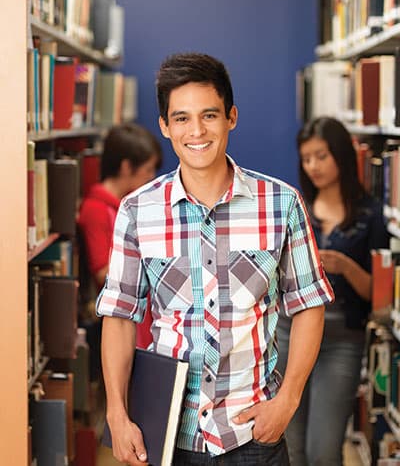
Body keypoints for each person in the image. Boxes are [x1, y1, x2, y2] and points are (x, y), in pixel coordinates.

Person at [96, 52, 334, 466]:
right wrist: (117, 414)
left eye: (209, 115)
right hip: (167, 437)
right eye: (182, 118)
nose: (197, 131)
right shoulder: (137, 211)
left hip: (253, 434)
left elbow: (310, 304)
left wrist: (288, 400)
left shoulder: (281, 204)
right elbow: (119, 317)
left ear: (231, 117)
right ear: (165, 127)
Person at [276, 116, 390, 466]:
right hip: (288, 333)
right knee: (288, 447)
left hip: (342, 340)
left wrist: (344, 266)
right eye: (306, 158)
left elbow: (379, 294)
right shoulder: (295, 207)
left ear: (341, 155)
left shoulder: (370, 215)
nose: (314, 166)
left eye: (322, 156)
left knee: (323, 451)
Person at [78, 122, 162, 351]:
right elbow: (103, 272)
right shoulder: (96, 209)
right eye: (148, 170)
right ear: (126, 167)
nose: (152, 177)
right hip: (123, 322)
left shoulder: (129, 205)